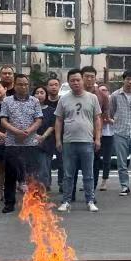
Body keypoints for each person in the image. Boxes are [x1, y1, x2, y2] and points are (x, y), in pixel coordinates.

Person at [55, 69, 101, 213]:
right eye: (72, 80)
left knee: (88, 174)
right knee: (68, 174)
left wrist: (97, 138)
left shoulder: (92, 98)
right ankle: (66, 201)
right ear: (68, 82)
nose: (75, 82)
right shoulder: (63, 99)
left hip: (87, 141)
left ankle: (90, 200)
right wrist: (58, 140)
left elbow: (97, 119)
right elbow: (58, 120)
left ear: (82, 80)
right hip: (69, 142)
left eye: (78, 80)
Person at [0, 74, 43, 214]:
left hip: (30, 143)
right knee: (10, 175)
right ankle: (9, 203)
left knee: (32, 175)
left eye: (25, 84)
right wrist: (16, 132)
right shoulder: (7, 101)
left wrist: (28, 132)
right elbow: (3, 120)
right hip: (12, 143)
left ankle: (33, 203)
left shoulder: (35, 101)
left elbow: (38, 120)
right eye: (20, 84)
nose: (23, 87)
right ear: (15, 85)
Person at [34, 85, 56, 191]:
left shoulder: (51, 110)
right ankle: (35, 188)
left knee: (45, 166)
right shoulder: (30, 109)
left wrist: (43, 137)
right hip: (31, 140)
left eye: (42, 93)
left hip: (47, 141)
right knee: (33, 167)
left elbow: (52, 125)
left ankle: (44, 187)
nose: (39, 95)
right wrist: (34, 135)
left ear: (46, 95)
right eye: (37, 93)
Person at [96, 83, 115, 191]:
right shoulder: (95, 102)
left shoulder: (111, 103)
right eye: (100, 90)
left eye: (105, 90)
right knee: (94, 159)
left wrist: (110, 120)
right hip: (96, 134)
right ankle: (90, 181)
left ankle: (104, 181)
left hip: (109, 134)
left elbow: (118, 119)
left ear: (108, 92)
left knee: (107, 159)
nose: (103, 92)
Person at [45, 77, 63, 192]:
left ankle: (62, 183)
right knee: (46, 161)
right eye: (51, 85)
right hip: (46, 135)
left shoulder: (63, 100)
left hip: (62, 134)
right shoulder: (43, 101)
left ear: (59, 86)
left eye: (56, 84)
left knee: (62, 161)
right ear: (47, 87)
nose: (54, 87)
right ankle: (46, 183)